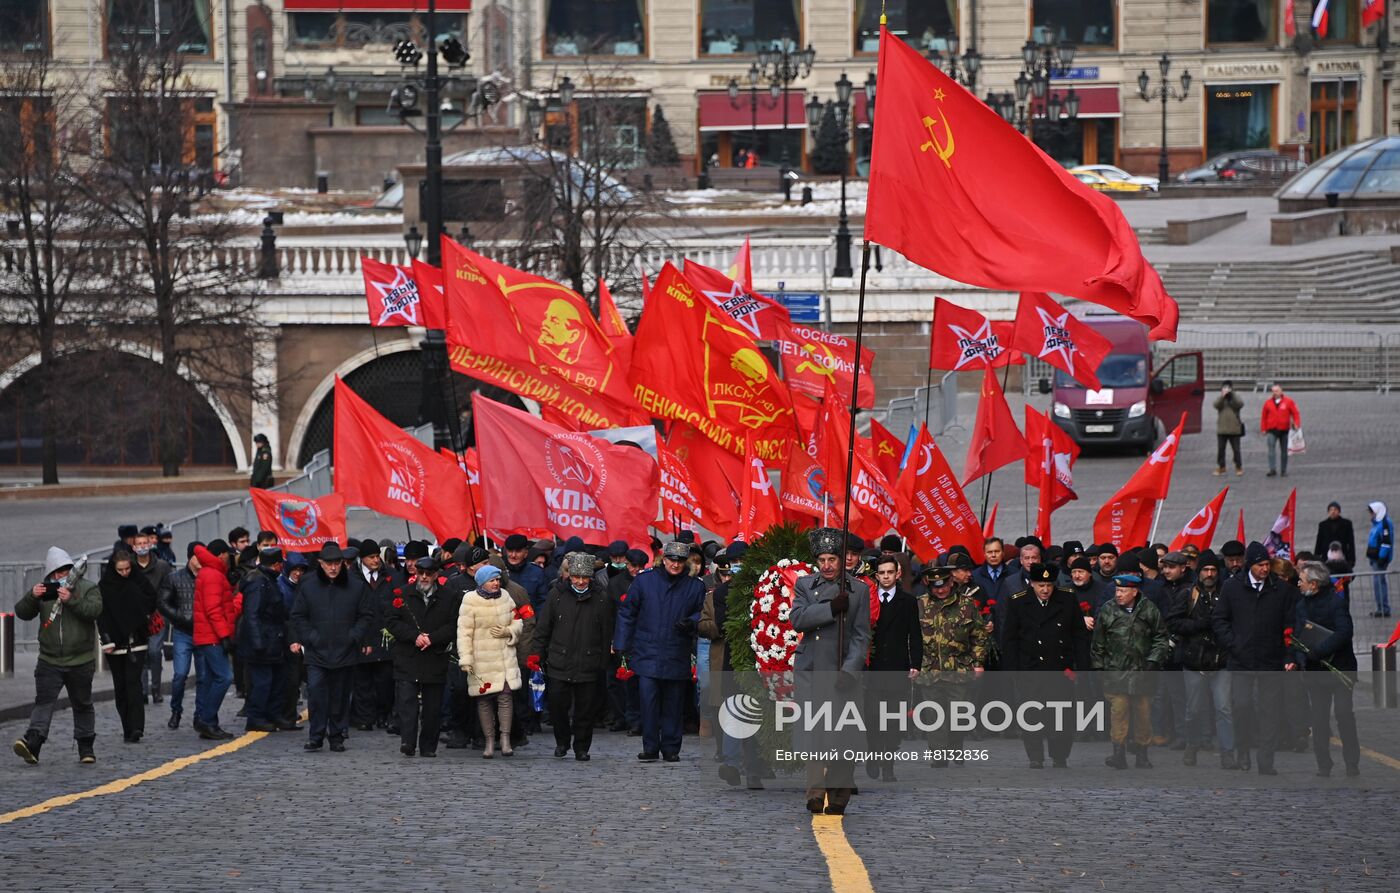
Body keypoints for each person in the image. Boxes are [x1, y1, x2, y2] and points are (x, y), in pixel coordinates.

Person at [791, 527, 871, 815]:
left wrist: (850, 669)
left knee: (841, 735)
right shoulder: (804, 585)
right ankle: (814, 791)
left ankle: (838, 795)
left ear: (842, 560)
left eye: (832, 560)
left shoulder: (859, 590)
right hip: (812, 668)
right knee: (814, 734)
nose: (826, 565)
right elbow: (797, 619)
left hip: (841, 671)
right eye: (822, 559)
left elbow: (862, 635)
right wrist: (830, 609)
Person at [1212, 541, 1300, 775]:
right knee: (1242, 706)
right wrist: (1233, 643)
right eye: (1260, 565)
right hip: (1241, 660)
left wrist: (1288, 654)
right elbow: (1219, 620)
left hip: (1271, 660)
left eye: (1267, 564)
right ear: (1250, 565)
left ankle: (1266, 759)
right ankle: (1242, 749)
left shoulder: (1280, 590)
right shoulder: (1232, 587)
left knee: (1270, 711)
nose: (1265, 569)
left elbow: (1290, 625)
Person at [614, 540, 706, 764]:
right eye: (672, 559)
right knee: (648, 703)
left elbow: (702, 613)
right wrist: (621, 644)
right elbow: (627, 613)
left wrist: (691, 622)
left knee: (674, 705)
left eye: (680, 561)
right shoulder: (645, 581)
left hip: (676, 651)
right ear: (663, 559)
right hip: (647, 652)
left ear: (685, 563)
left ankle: (671, 748)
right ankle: (650, 747)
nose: (675, 564)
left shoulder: (695, 587)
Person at [13, 548, 103, 765]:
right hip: (49, 660)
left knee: (82, 703)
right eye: (56, 573)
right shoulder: (45, 592)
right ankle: (33, 743)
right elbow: (22, 612)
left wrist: (71, 600)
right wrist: (32, 596)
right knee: (43, 702)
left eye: (64, 572)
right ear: (50, 574)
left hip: (80, 660)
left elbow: (94, 610)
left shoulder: (88, 588)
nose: (61, 577)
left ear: (72, 570)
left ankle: (85, 746)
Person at [1002, 564, 1090, 768]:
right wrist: (1012, 670)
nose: (1045, 590)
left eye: (1049, 585)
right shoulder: (1019, 602)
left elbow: (1079, 635)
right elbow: (1010, 638)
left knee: (1060, 716)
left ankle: (1059, 755)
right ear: (1032, 583)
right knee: (1031, 715)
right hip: (1030, 668)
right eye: (1040, 585)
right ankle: (1035, 756)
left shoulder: (1067, 599)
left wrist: (1081, 667)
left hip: (1060, 668)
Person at [291, 542, 375, 752]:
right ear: (320, 563)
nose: (333, 568)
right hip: (316, 651)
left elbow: (366, 615)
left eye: (337, 563)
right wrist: (311, 637)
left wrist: (354, 636)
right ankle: (316, 735)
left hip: (345, 651)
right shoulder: (308, 585)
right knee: (317, 695)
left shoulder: (356, 586)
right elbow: (298, 615)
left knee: (340, 696)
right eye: (328, 563)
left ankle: (337, 735)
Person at [531, 553, 614, 762]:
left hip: (589, 661)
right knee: (558, 707)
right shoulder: (556, 594)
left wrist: (603, 662)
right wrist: (537, 654)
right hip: (559, 660)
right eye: (576, 576)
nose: (579, 581)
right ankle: (562, 741)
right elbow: (544, 627)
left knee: (585, 711)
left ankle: (582, 747)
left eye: (584, 577)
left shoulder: (602, 597)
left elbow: (607, 632)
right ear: (569, 575)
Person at [1092, 573, 1171, 769]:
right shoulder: (1108, 610)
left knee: (1143, 713)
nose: (1118, 594)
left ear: (1134, 592)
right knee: (1119, 713)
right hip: (1115, 672)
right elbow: (1098, 643)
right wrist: (1099, 668)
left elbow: (1161, 638)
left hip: (1142, 672)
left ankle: (1142, 754)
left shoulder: (1149, 610)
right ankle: (1118, 753)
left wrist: (1153, 661)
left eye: (1123, 590)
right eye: (1117, 590)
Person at [1166, 551, 1234, 768]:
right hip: (1194, 659)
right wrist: (1198, 625)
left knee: (1224, 708)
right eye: (1205, 570)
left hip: (1220, 659)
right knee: (1194, 709)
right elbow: (1173, 622)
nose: (1210, 574)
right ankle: (1192, 745)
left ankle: (1227, 753)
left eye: (1213, 570)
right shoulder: (1188, 594)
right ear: (1199, 571)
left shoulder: (1227, 593)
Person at [387, 557, 459, 758]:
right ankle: (407, 741)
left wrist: (433, 638)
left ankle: (428, 746)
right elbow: (392, 621)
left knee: (432, 707)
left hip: (434, 657)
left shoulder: (449, 596)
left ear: (436, 575)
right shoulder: (402, 594)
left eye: (429, 574)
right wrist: (414, 637)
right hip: (408, 656)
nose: (424, 577)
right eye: (421, 573)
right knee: (407, 702)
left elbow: (453, 625)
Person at [915, 565, 985, 768]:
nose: (940, 590)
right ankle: (938, 755)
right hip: (930, 668)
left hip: (958, 669)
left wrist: (978, 662)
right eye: (936, 586)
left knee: (958, 715)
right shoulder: (920, 604)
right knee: (934, 715)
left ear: (951, 582)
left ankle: (955, 745)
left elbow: (979, 636)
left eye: (944, 585)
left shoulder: (967, 604)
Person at [1294, 561, 1360, 777]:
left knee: (1343, 714)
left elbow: (1344, 632)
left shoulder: (1335, 603)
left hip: (1340, 669)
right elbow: (1297, 635)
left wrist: (1319, 651)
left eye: (1302, 581)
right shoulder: (1301, 605)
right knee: (1319, 719)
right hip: (1315, 672)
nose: (1298, 584)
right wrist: (1301, 657)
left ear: (1314, 584)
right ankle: (1324, 764)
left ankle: (1352, 763)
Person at [457, 565, 523, 759]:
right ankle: (488, 740)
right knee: (484, 700)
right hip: (482, 659)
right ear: (482, 582)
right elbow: (464, 632)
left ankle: (505, 739)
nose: (496, 583)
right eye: (492, 580)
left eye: (497, 579)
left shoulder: (505, 596)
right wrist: (466, 658)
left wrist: (509, 631)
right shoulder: (469, 600)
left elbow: (518, 621)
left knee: (505, 698)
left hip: (504, 657)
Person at [865, 555, 921, 780]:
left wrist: (916, 663)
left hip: (897, 667)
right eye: (882, 573)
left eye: (890, 572)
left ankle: (888, 765)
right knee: (872, 717)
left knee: (893, 721)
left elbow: (915, 635)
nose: (886, 577)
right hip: (873, 668)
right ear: (876, 575)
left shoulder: (908, 601)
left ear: (897, 574)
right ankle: (873, 754)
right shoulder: (868, 600)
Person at [97, 550, 158, 743]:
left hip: (137, 640)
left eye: (127, 568)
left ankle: (137, 727)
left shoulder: (137, 581)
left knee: (133, 683)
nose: (124, 572)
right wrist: (106, 639)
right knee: (120, 686)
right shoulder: (105, 586)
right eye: (120, 570)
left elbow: (151, 599)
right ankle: (127, 726)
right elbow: (102, 615)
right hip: (115, 643)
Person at [192, 541, 238, 741]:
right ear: (221, 555)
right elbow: (213, 610)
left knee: (211, 679)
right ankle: (207, 720)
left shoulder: (210, 572)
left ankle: (208, 721)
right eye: (228, 554)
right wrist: (225, 635)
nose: (230, 557)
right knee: (224, 677)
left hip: (208, 635)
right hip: (212, 636)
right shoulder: (212, 575)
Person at [238, 549, 288, 732]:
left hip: (272, 639)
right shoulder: (259, 582)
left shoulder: (267, 579)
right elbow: (252, 614)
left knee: (276, 680)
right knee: (262, 682)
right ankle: (256, 717)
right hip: (263, 642)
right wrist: (258, 643)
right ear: (276, 564)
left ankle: (272, 714)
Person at [351, 539, 397, 732]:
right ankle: (365, 718)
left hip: (385, 638)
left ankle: (383, 715)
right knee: (363, 683)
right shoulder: (352, 578)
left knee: (385, 682)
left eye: (378, 556)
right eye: (371, 557)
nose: (376, 560)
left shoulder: (391, 576)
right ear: (362, 559)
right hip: (362, 636)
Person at [160, 543, 200, 729]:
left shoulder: (208, 577)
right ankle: (176, 710)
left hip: (203, 632)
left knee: (204, 675)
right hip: (182, 631)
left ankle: (201, 713)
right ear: (190, 557)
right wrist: (180, 617)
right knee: (180, 674)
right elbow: (163, 603)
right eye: (197, 557)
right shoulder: (174, 578)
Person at [132, 526, 173, 706]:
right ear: (133, 547)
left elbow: (169, 589)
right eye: (138, 544)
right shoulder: (130, 567)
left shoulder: (162, 566)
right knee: (141, 654)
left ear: (150, 544)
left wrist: (165, 609)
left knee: (155, 652)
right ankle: (142, 691)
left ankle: (156, 689)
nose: (142, 546)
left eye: (144, 543)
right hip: (136, 616)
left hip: (157, 615)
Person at [1259, 383, 1300, 478]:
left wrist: (1297, 424)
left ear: (1281, 391)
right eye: (1273, 391)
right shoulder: (1268, 403)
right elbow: (1264, 417)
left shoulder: (1288, 402)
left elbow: (1295, 413)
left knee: (1284, 451)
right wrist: (1263, 429)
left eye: (1276, 391)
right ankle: (1272, 469)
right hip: (1271, 429)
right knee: (1271, 450)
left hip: (1284, 430)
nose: (1275, 393)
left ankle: (1283, 470)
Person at [1366, 501, 1393, 618]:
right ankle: (1381, 607)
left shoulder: (1384, 523)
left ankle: (1384, 608)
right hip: (1375, 557)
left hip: (1379, 559)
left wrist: (1382, 557)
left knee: (1379, 583)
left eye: (1371, 512)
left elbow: (1386, 542)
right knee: (1378, 583)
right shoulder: (1378, 523)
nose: (1370, 514)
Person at [1213, 381, 1245, 476]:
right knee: (1221, 449)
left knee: (1236, 450)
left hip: (1234, 429)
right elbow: (1215, 405)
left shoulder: (1235, 397)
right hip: (1222, 429)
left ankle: (1238, 466)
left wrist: (1232, 395)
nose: (1226, 389)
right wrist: (1222, 396)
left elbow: (1240, 404)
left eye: (1228, 388)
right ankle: (1221, 466)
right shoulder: (1221, 399)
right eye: (1224, 388)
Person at [1314, 502, 1357, 571]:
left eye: (1335, 509)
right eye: (1331, 510)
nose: (1333, 512)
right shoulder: (1323, 525)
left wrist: (1352, 559)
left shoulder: (1347, 523)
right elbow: (1319, 541)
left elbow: (1351, 542)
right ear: (1328, 511)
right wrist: (1316, 558)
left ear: (1339, 511)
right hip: (1326, 558)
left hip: (1343, 557)